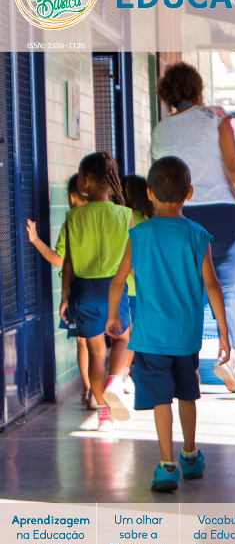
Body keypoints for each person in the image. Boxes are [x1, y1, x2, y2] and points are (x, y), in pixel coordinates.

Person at [106, 156, 230, 492]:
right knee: (187, 395)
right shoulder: (197, 234)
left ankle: (166, 465)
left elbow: (118, 280)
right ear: (189, 192)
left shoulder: (139, 235)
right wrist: (223, 330)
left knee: (162, 399)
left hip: (149, 338)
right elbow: (212, 285)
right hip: (186, 337)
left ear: (148, 193)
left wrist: (113, 314)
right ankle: (190, 455)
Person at [152, 62, 235, 393]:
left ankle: (188, 370)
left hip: (179, 218)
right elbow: (233, 165)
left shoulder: (161, 130)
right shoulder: (215, 117)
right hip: (222, 216)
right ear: (198, 90)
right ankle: (227, 361)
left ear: (168, 96)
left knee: (185, 294)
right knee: (228, 292)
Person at [59, 152, 133, 432]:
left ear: (87, 180)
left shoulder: (73, 217)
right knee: (122, 339)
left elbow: (68, 263)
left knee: (95, 352)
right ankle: (116, 380)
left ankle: (103, 413)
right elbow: (131, 257)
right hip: (114, 288)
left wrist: (65, 297)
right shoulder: (124, 215)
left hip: (83, 290)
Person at [27, 174, 93, 408]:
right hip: (104, 288)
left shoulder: (72, 220)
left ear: (74, 196)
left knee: (83, 343)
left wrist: (35, 240)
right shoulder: (108, 217)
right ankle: (103, 388)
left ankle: (87, 389)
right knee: (98, 344)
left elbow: (58, 260)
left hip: (78, 291)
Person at [121, 174, 154, 394]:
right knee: (137, 333)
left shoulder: (122, 216)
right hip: (143, 286)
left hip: (122, 286)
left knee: (125, 335)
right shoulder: (148, 219)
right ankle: (127, 373)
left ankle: (121, 374)